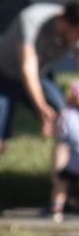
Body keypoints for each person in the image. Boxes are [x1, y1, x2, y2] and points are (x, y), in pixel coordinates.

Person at [0, 0, 79, 215]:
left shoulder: (73, 30)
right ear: (66, 23)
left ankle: (58, 201)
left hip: (41, 77)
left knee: (65, 127)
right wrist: (41, 109)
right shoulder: (33, 18)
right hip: (2, 78)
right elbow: (27, 67)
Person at [51, 79, 79, 222]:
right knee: (61, 182)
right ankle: (57, 208)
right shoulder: (68, 116)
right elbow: (61, 140)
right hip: (71, 160)